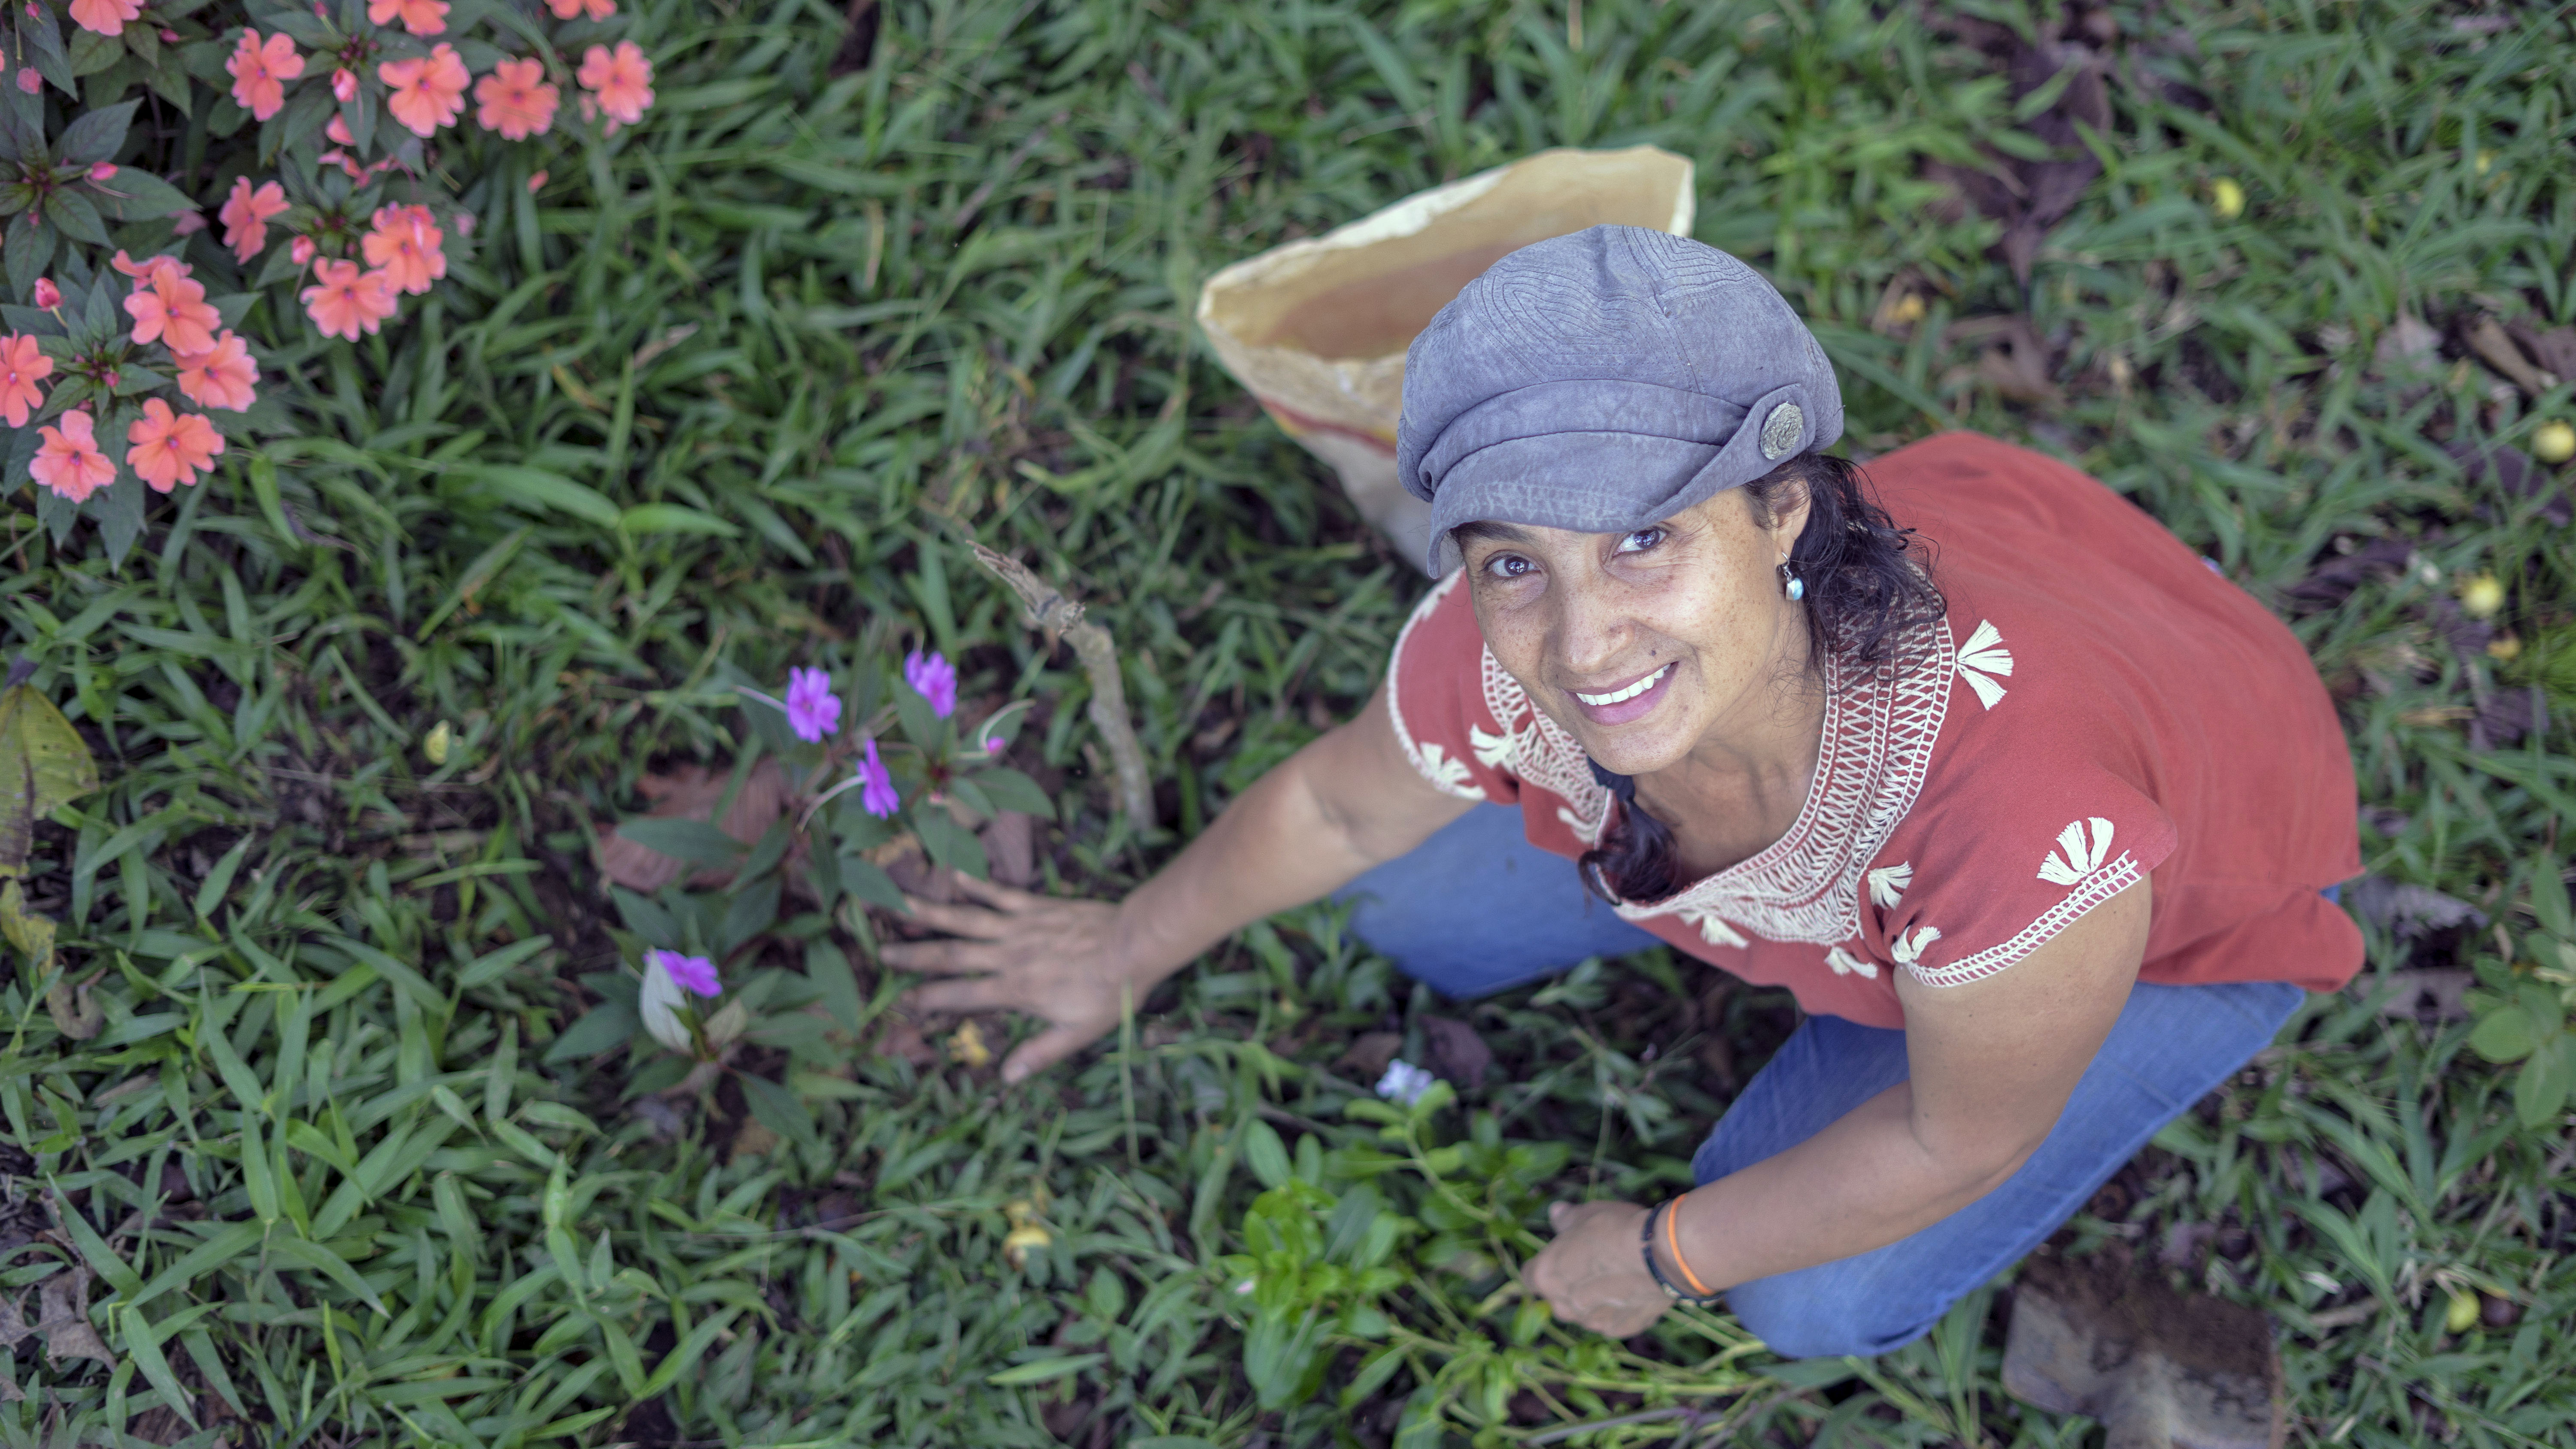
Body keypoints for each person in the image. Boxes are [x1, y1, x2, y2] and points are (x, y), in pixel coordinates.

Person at [884, 226, 2362, 1358]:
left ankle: (1987, 1005)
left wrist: (1667, 1255)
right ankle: (1784, 925)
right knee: (1408, 906)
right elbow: (1338, 813)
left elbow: (1954, 1136)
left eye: (1647, 538)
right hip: (1831, 791)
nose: (1585, 646)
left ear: (1784, 508)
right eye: (1517, 558)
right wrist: (1124, 945)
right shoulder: (1509, 645)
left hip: (2178, 916)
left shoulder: (2021, 828)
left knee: (1809, 1298)